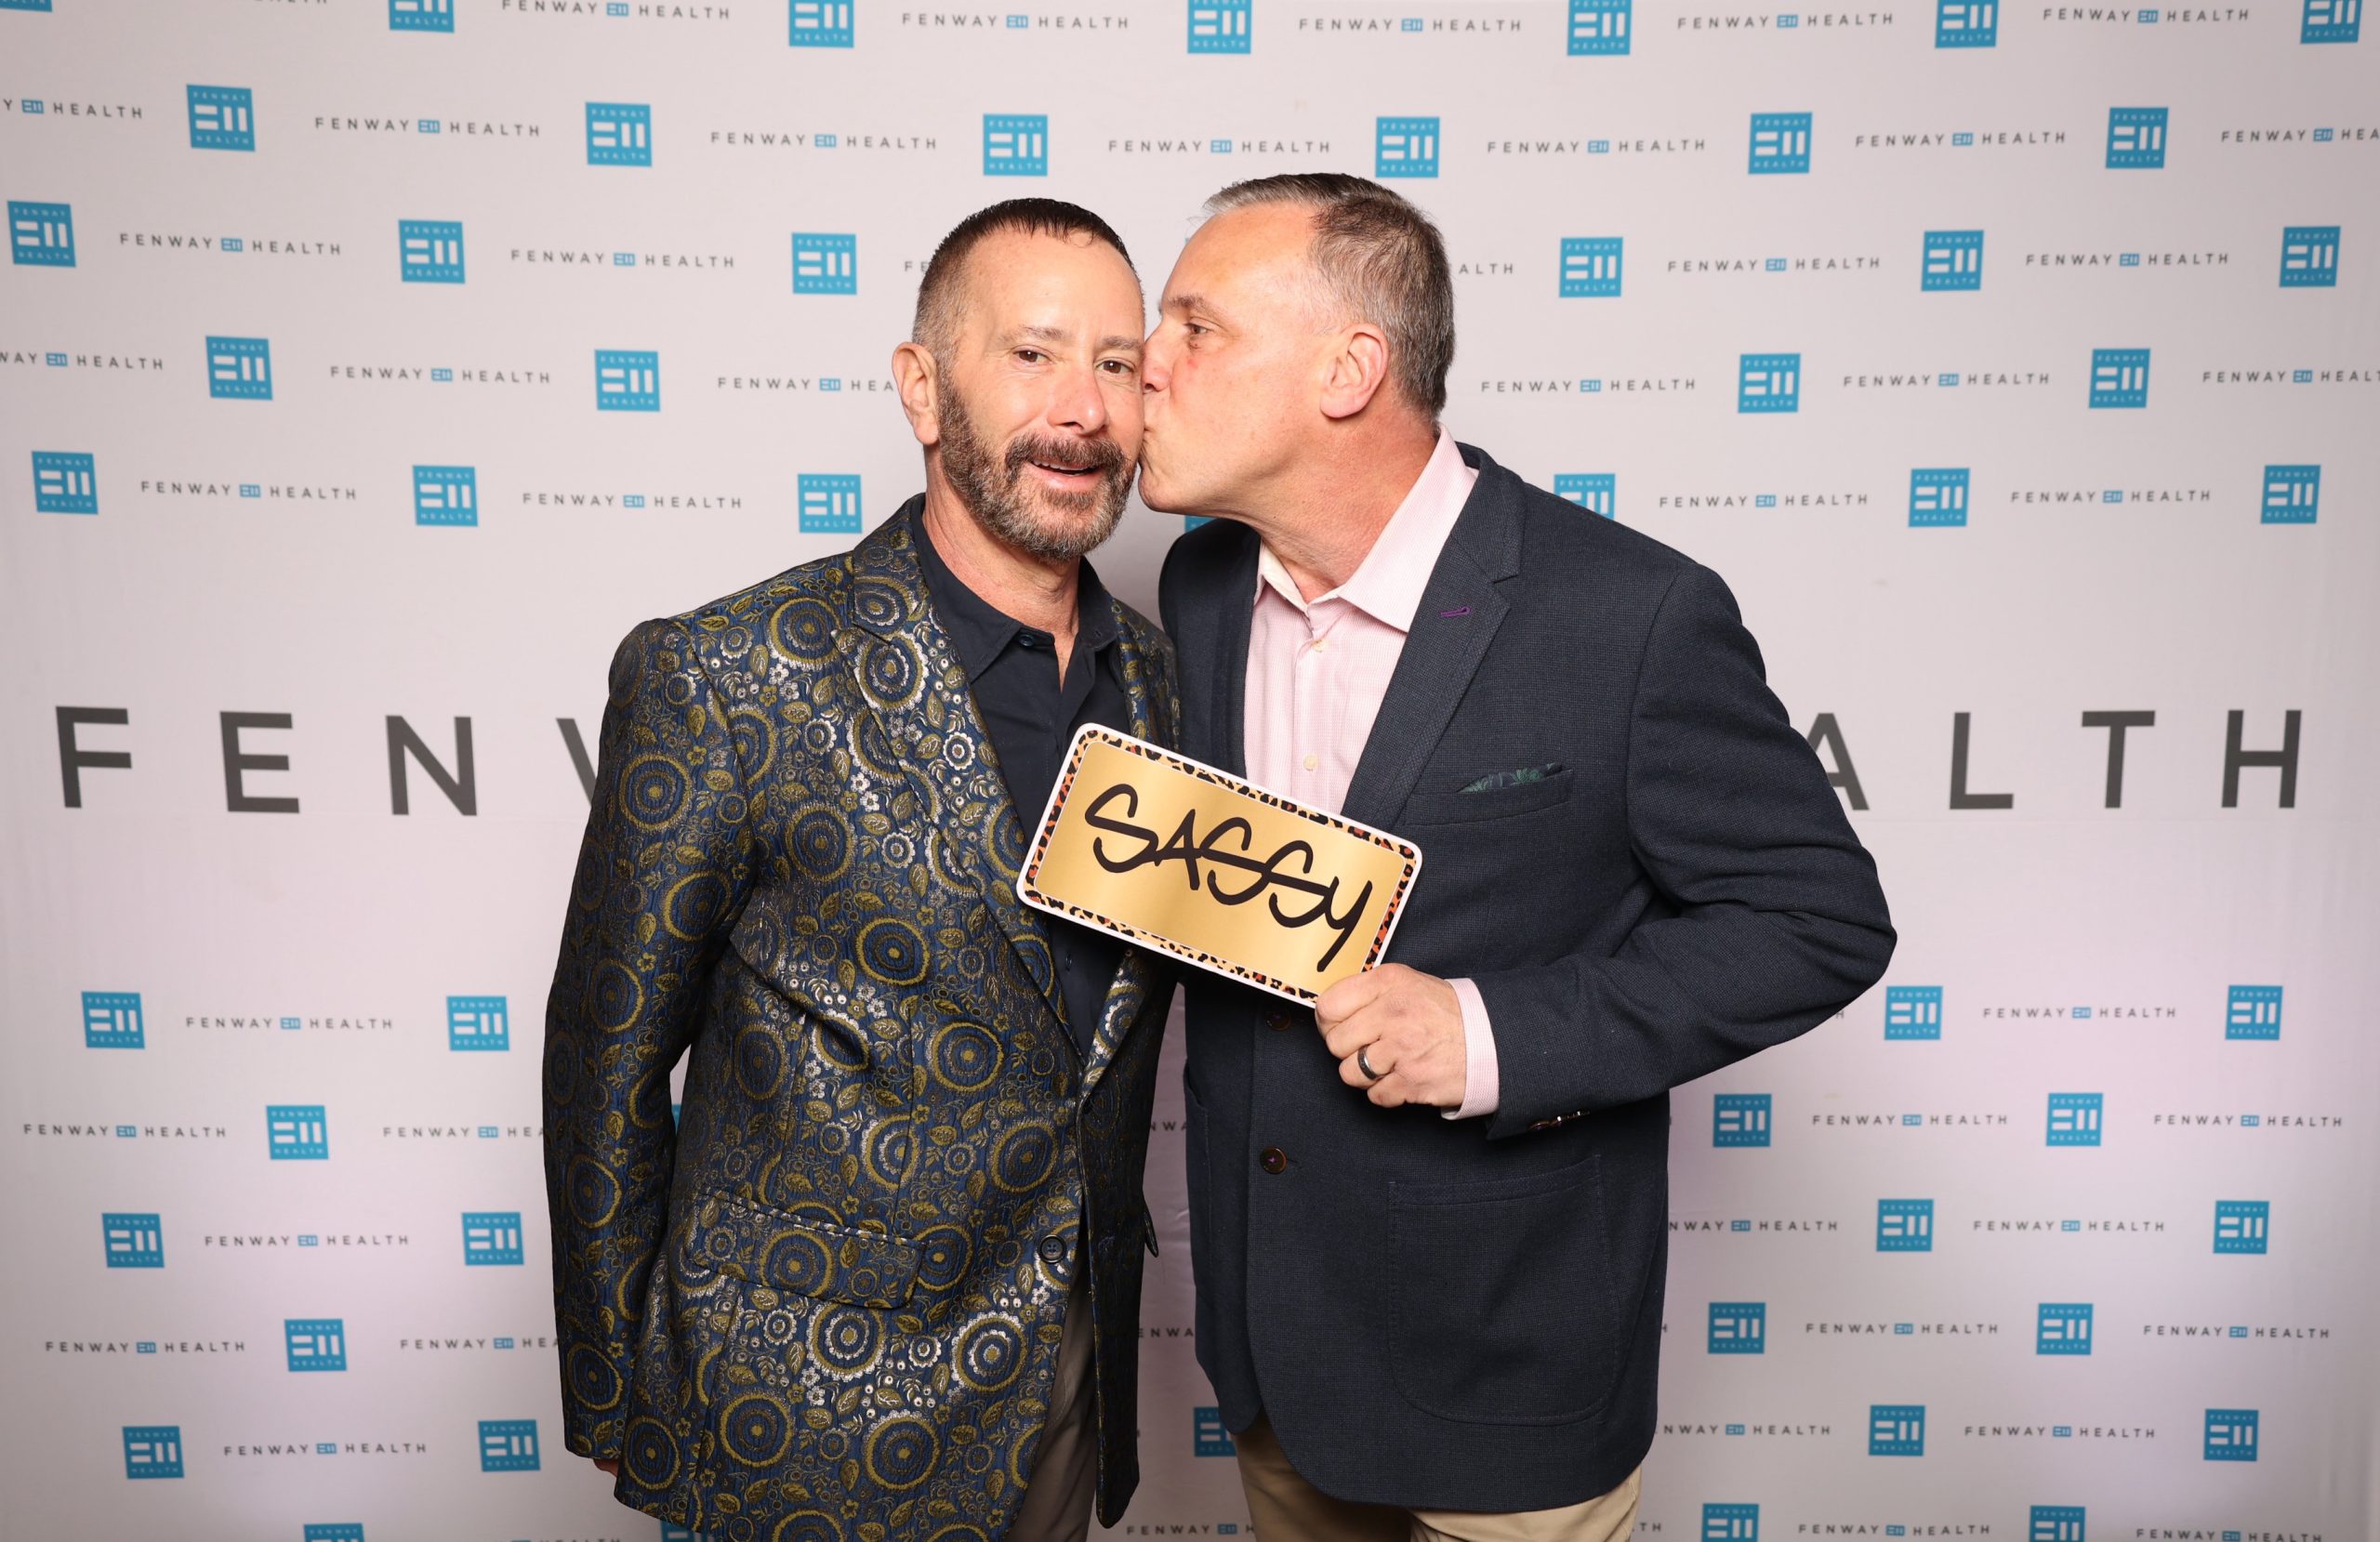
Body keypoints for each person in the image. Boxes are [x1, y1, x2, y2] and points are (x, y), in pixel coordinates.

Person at [1144, 173, 1896, 1541]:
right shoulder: (1199, 589)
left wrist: (1489, 1035)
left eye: (1197, 327)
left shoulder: (1630, 615)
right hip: (1276, 1357)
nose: (1147, 362)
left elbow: (1819, 919)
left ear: (1348, 369)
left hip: (1510, 1365)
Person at [541, 198, 1178, 1542]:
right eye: (1032, 355)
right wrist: (616, 1387)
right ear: (922, 389)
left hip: (1066, 1375)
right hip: (799, 1403)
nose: (1083, 410)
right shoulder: (730, 674)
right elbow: (603, 1059)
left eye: (1119, 364)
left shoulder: (1165, 685)